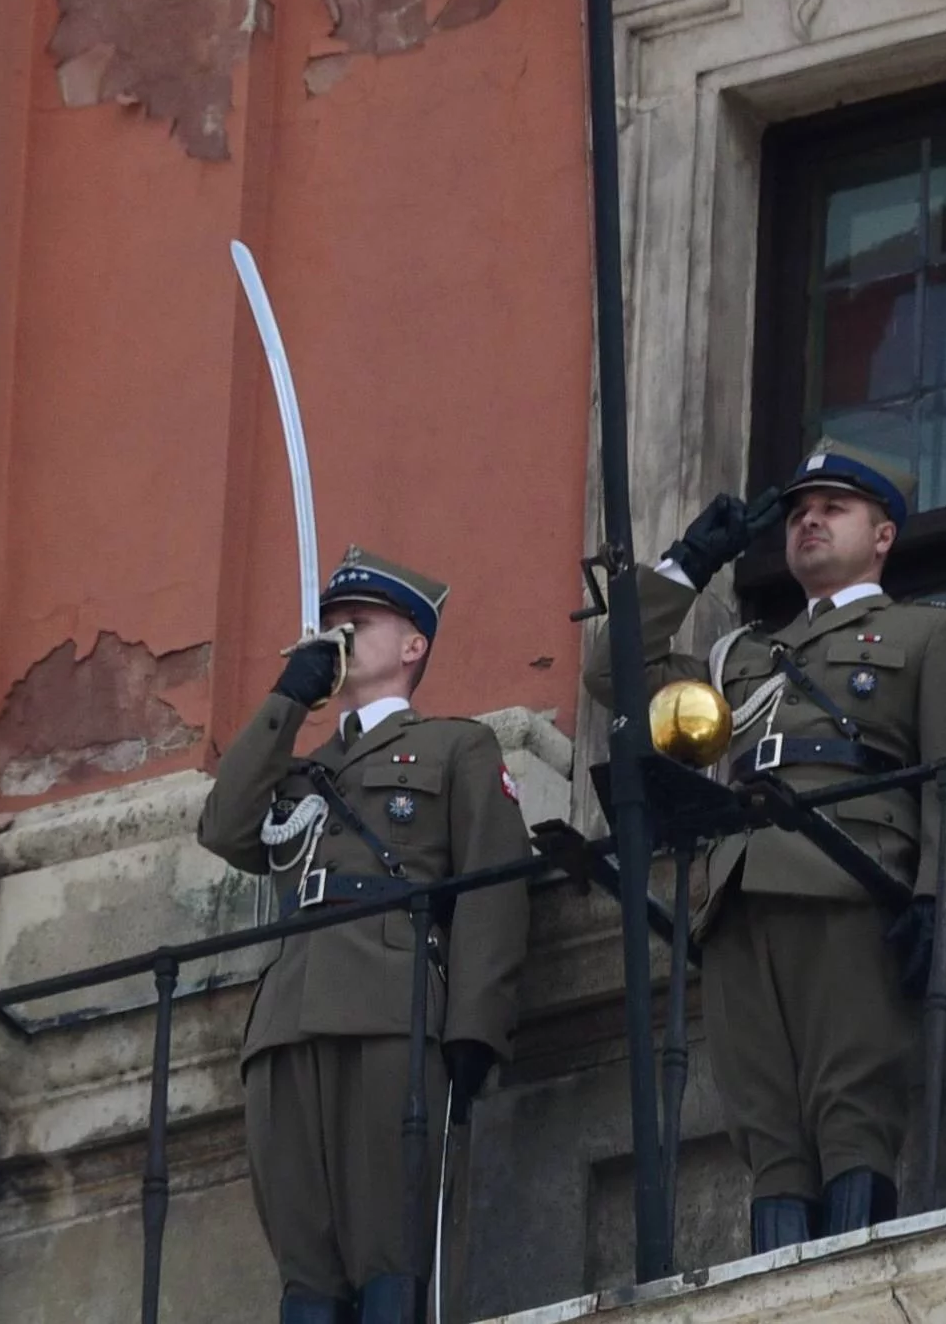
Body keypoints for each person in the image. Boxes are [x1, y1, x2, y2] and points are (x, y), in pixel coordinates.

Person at [587, 440, 946, 1252]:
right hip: (738, 887)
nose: (809, 520)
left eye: (834, 508)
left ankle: (845, 1277)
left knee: (852, 1102)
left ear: (883, 535)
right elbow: (614, 671)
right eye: (802, 511)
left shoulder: (926, 635)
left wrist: (942, 896)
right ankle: (776, 1281)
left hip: (848, 873)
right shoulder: (738, 656)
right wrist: (686, 564)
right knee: (765, 1117)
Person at [201, 548, 532, 1324]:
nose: (340, 633)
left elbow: (495, 884)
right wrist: (289, 697)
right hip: (287, 1019)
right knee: (305, 1250)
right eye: (330, 623)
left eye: (361, 621)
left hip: (391, 1005)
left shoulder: (456, 747)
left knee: (390, 1237)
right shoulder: (301, 769)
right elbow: (225, 828)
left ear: (414, 644)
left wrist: (473, 1029)